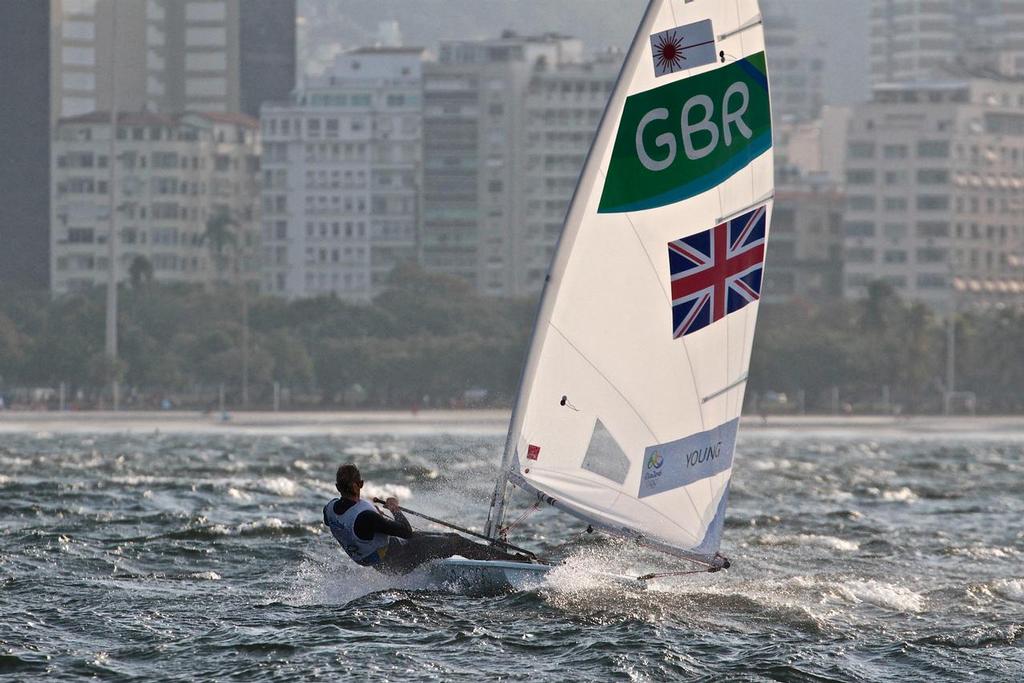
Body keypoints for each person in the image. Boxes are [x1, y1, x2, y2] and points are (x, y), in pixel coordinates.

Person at [323, 463, 530, 574]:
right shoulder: (366, 516)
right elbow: (406, 531)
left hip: (383, 561)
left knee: (447, 537)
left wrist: (373, 520)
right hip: (398, 562)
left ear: (337, 488)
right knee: (456, 542)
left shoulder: (329, 509)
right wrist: (395, 509)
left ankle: (494, 556)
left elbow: (348, 524)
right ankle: (513, 562)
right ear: (361, 483)